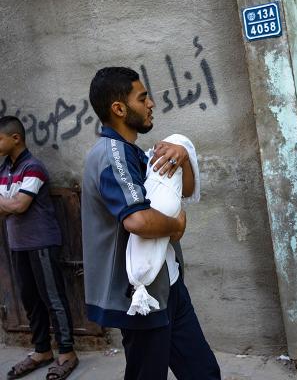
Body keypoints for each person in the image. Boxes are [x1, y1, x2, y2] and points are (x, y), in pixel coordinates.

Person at [82, 67, 220, 380]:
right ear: (119, 108)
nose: (151, 104)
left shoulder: (136, 154)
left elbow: (184, 190)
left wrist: (183, 156)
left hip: (170, 286)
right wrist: (176, 226)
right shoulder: (111, 156)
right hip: (140, 299)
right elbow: (139, 220)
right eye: (142, 98)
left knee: (204, 372)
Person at [0, 116, 79, 380]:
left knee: (53, 299)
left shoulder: (33, 167)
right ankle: (42, 350)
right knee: (30, 300)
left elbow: (18, 206)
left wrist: (8, 203)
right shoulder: (4, 171)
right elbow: (7, 208)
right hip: (18, 244)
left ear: (16, 138)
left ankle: (67, 352)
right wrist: (8, 204)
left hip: (42, 243)